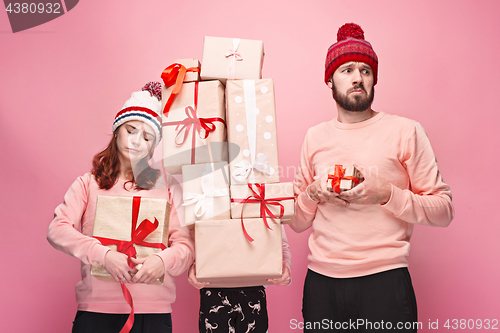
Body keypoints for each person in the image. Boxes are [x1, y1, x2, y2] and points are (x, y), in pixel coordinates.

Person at [291, 23, 455, 332]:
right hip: (322, 284)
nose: (357, 78)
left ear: (374, 80)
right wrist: (312, 194)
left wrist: (386, 194)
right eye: (347, 70)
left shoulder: (405, 131)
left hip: (385, 280)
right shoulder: (314, 137)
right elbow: (298, 222)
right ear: (330, 81)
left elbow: (444, 210)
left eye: (366, 71)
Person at [47, 82, 194, 333]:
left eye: (147, 137)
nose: (137, 141)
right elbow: (57, 230)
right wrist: (103, 255)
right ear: (117, 132)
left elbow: (186, 247)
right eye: (131, 130)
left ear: (153, 145)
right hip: (96, 312)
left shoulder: (168, 186)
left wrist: (162, 260)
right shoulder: (88, 183)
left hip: (153, 316)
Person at [187, 226, 292, 333]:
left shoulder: (267, 208)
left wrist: (285, 267)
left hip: (254, 290)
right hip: (213, 290)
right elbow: (193, 240)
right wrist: (192, 265)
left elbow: (280, 243)